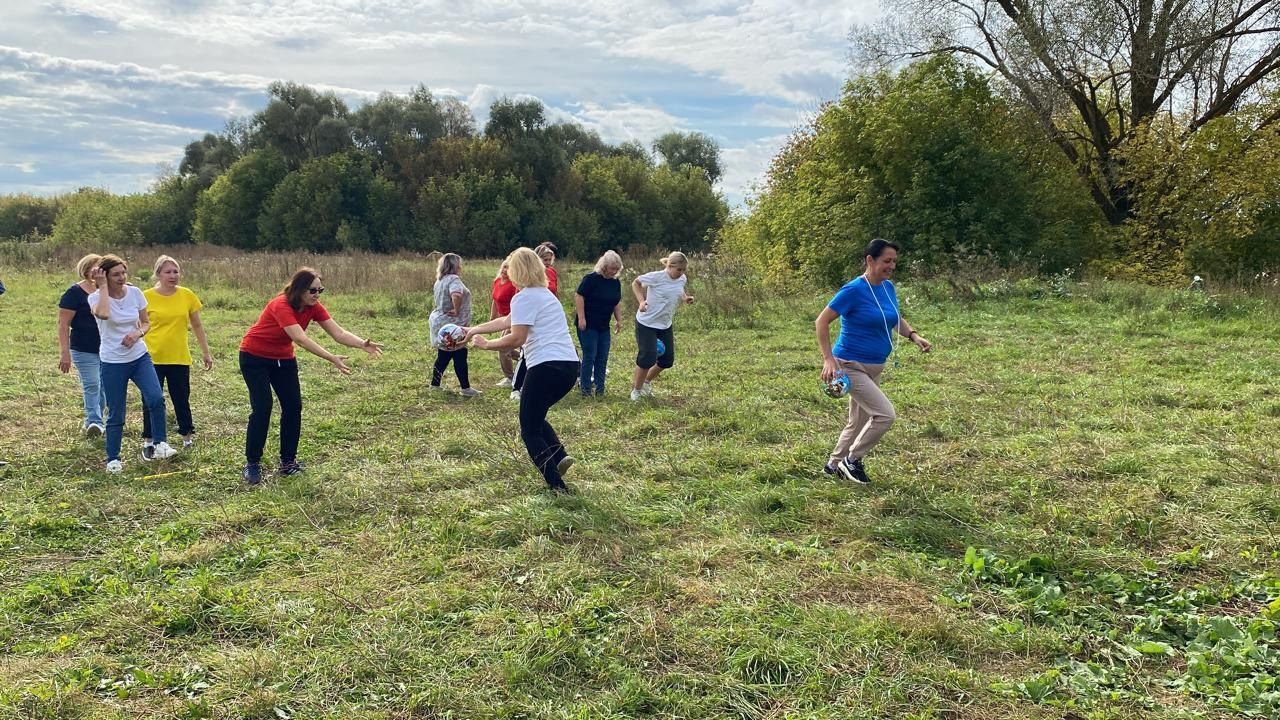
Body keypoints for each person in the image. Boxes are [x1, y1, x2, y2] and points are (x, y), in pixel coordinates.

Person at [238, 268, 383, 485]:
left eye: (320, 290)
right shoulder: (281, 305)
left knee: (293, 407)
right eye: (312, 290)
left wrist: (362, 344)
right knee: (263, 407)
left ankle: (288, 462)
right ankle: (252, 463)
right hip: (254, 357)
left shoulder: (313, 307)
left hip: (283, 359)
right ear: (299, 289)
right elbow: (301, 339)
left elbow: (338, 333)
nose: (317, 294)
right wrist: (331, 357)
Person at [463, 248, 580, 492]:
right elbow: (506, 321)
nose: (506, 272)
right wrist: (474, 330)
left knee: (529, 429)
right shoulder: (546, 295)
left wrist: (487, 345)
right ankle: (559, 457)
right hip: (568, 367)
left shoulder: (524, 297)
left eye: (509, 268)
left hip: (545, 367)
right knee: (535, 414)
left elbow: (516, 338)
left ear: (518, 270)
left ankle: (557, 486)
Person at [816, 239, 931, 485]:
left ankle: (833, 465)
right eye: (886, 261)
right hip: (850, 365)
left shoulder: (887, 288)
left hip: (874, 365)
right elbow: (821, 321)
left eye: (894, 262)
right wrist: (828, 359)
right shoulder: (853, 290)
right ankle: (852, 460)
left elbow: (893, 317)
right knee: (884, 415)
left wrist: (913, 335)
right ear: (870, 260)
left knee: (857, 422)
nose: (891, 266)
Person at [88, 254, 178, 472]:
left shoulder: (136, 293)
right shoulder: (96, 298)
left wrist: (137, 334)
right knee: (117, 411)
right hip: (112, 361)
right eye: (115, 274)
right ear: (105, 276)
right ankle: (113, 459)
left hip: (139, 357)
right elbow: (104, 314)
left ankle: (160, 444)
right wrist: (101, 288)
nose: (121, 278)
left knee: (156, 398)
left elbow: (146, 322)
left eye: (123, 273)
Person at [142, 255, 212, 449]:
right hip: (152, 357)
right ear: (158, 274)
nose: (173, 276)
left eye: (176, 271)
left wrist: (206, 352)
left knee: (181, 398)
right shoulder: (146, 296)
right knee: (151, 399)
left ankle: (187, 437)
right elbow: (138, 325)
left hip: (179, 356)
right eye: (168, 272)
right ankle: (150, 440)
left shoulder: (187, 295)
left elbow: (197, 325)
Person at [630, 252, 694, 401]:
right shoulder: (657, 277)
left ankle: (646, 383)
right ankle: (636, 391)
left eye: (684, 270)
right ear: (670, 266)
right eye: (679, 270)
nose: (682, 273)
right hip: (647, 323)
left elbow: (679, 290)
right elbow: (636, 283)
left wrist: (685, 298)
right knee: (647, 357)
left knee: (667, 360)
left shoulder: (681, 279)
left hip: (665, 324)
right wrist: (641, 301)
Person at [58, 253, 106, 436]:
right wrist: (64, 353)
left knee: (105, 386)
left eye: (102, 268)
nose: (98, 272)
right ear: (85, 269)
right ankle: (94, 420)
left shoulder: (109, 291)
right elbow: (63, 325)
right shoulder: (74, 293)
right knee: (92, 383)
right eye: (95, 268)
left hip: (108, 348)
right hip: (83, 348)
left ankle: (95, 421)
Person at [428, 253, 479, 397]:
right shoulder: (454, 279)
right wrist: (457, 310)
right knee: (460, 354)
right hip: (452, 325)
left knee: (443, 355)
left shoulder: (440, 280)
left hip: (440, 321)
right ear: (456, 265)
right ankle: (465, 388)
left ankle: (435, 385)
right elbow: (456, 294)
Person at [574, 250, 624, 396]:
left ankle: (600, 389)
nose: (613, 272)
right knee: (590, 355)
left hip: (603, 325)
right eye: (611, 268)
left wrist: (618, 320)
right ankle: (585, 389)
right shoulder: (591, 279)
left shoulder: (615, 283)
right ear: (604, 266)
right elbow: (579, 296)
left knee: (602, 356)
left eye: (616, 269)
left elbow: (616, 302)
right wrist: (581, 318)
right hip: (588, 324)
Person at [489, 260, 520, 388]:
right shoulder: (497, 282)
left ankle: (510, 377)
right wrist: (492, 319)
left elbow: (518, 303)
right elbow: (495, 300)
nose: (505, 270)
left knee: (503, 348)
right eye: (504, 267)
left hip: (512, 319)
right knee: (509, 349)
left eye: (508, 268)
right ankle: (527, 361)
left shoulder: (515, 285)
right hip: (502, 319)